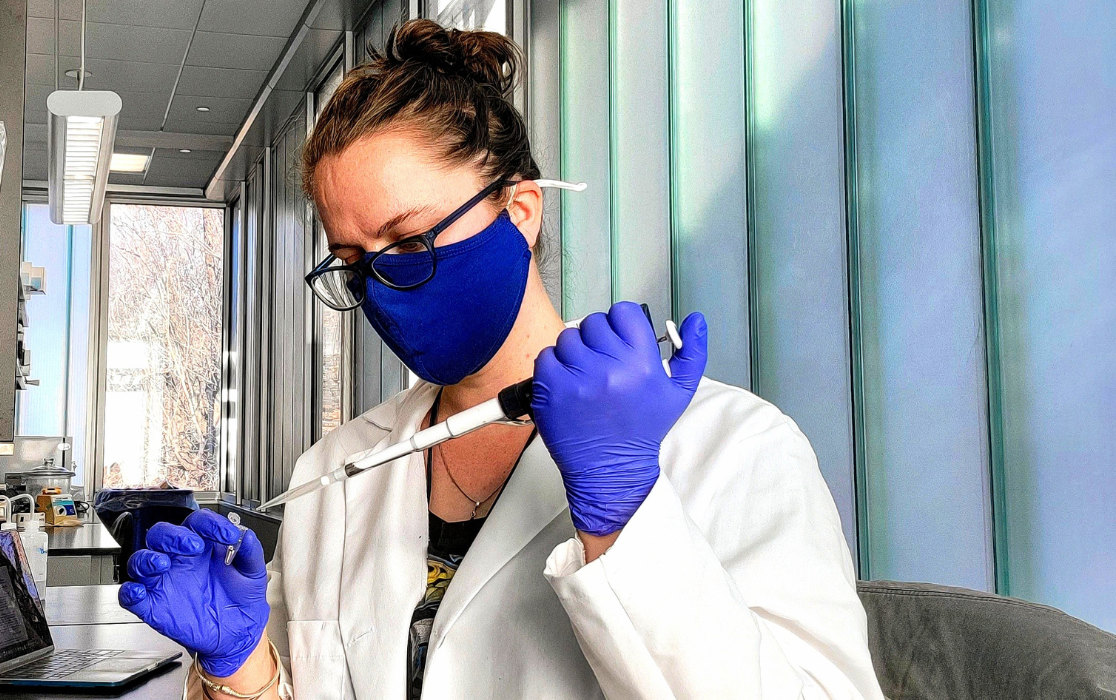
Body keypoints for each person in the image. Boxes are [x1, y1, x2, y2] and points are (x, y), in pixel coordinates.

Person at [119, 19, 885, 700]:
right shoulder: (338, 471)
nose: (380, 284)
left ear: (519, 210)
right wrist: (239, 666)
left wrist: (627, 523)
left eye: (410, 241)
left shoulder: (730, 445)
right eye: (352, 260)